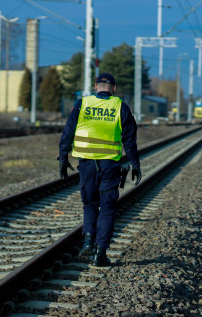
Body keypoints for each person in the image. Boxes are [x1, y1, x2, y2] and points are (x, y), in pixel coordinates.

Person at [58, 73, 142, 268]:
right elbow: (130, 140)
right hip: (109, 166)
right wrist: (135, 164)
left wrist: (63, 157)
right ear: (113, 88)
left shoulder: (83, 104)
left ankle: (88, 241)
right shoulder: (120, 106)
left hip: (86, 164)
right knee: (107, 208)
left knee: (89, 205)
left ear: (96, 86)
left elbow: (68, 131)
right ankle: (100, 254)